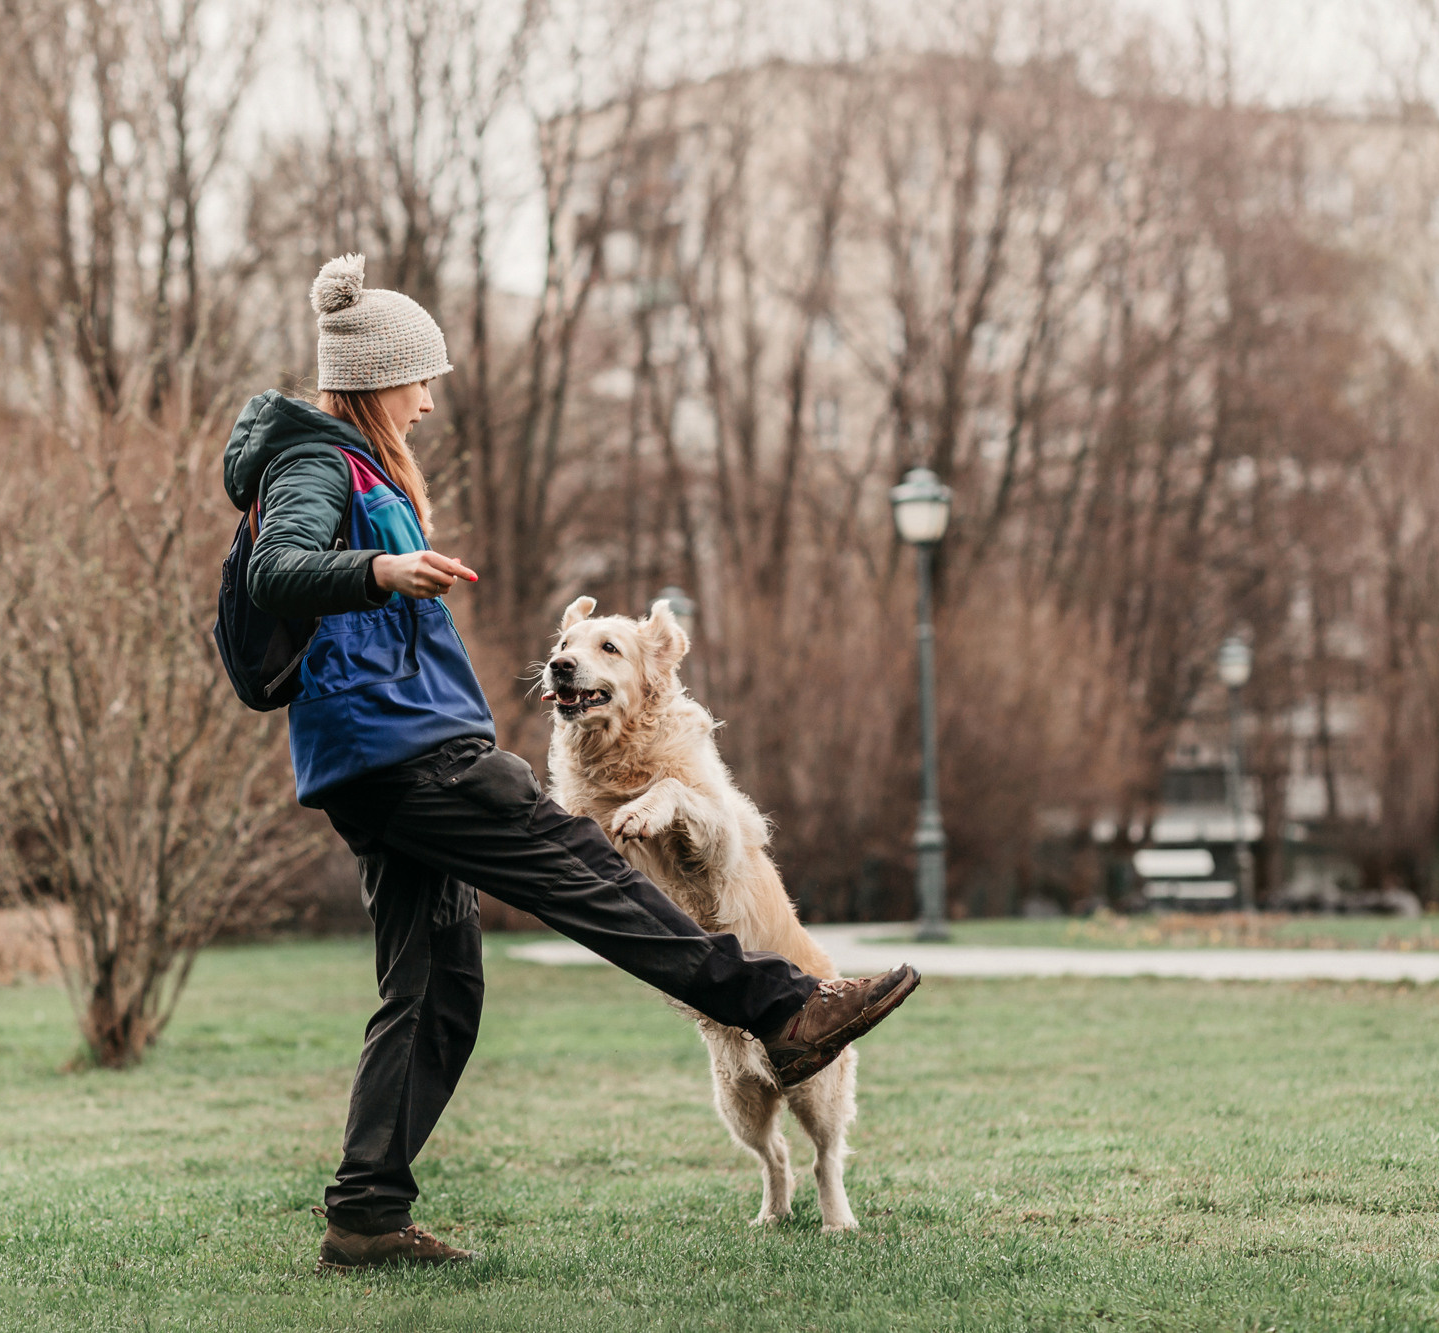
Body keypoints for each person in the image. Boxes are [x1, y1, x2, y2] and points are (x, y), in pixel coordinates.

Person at [220, 254, 919, 1273]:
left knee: (433, 991)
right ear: (376, 378)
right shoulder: (317, 462)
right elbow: (282, 567)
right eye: (420, 380)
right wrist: (381, 566)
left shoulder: (357, 467)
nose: (426, 400)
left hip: (382, 756)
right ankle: (783, 1005)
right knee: (585, 871)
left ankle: (365, 1214)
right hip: (405, 754)